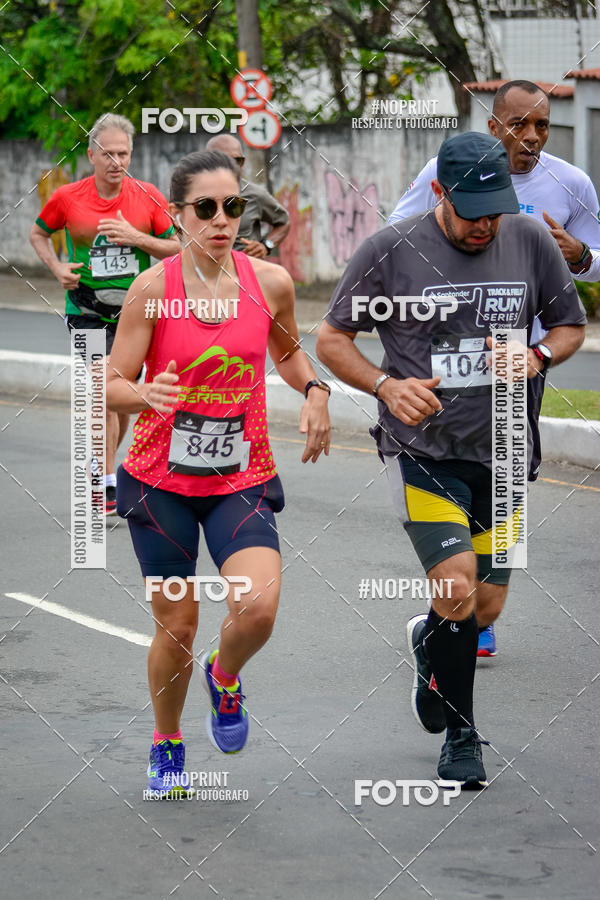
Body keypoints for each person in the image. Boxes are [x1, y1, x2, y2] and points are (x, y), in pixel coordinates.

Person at [317, 133, 585, 787]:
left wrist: (538, 356)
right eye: (472, 213)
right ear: (439, 192)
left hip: (507, 447)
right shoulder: (390, 250)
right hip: (425, 451)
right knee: (457, 583)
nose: (485, 225)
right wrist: (384, 384)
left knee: (484, 607)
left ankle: (429, 641)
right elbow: (331, 337)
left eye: (494, 210)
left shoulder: (528, 239)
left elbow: (569, 325)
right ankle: (462, 738)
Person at [106, 149, 330, 795]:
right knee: (177, 626)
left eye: (233, 206)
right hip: (158, 482)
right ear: (177, 216)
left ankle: (225, 676)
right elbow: (110, 383)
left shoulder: (270, 283)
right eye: (205, 208)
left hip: (241, 475)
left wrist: (314, 389)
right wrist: (146, 395)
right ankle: (167, 740)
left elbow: (289, 354)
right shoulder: (153, 291)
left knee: (257, 609)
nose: (222, 220)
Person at [388, 79, 600, 658]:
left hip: (520, 367)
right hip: (446, 364)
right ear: (493, 125)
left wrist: (576, 256)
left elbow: (594, 263)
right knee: (446, 482)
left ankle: (468, 609)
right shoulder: (446, 169)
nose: (529, 137)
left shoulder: (571, 185)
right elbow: (399, 236)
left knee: (499, 504)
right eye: (517, 125)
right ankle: (453, 600)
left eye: (541, 127)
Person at [30, 113, 180, 515]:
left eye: (124, 153)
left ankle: (104, 473)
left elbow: (179, 247)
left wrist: (137, 238)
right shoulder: (68, 197)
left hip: (135, 314)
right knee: (101, 392)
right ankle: (105, 480)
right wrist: (57, 267)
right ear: (92, 155)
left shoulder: (146, 196)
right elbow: (38, 233)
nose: (117, 161)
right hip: (85, 310)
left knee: (122, 399)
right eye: (109, 154)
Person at [205, 134, 290, 258]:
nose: (229, 167)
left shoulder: (254, 194)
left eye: (235, 161)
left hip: (244, 273)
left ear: (242, 162)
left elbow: (284, 222)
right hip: (201, 273)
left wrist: (266, 245)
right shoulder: (190, 195)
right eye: (221, 160)